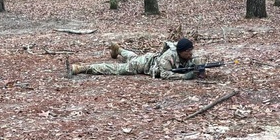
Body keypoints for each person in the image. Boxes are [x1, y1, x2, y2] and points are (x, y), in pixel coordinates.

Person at [67, 37, 202, 80]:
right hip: (144, 65)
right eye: (188, 52)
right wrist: (185, 77)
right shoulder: (168, 57)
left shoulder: (188, 55)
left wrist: (200, 69)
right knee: (117, 69)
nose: (191, 54)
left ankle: (118, 50)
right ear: (181, 52)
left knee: (132, 56)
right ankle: (83, 67)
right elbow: (165, 74)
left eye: (191, 51)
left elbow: (196, 63)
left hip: (148, 58)